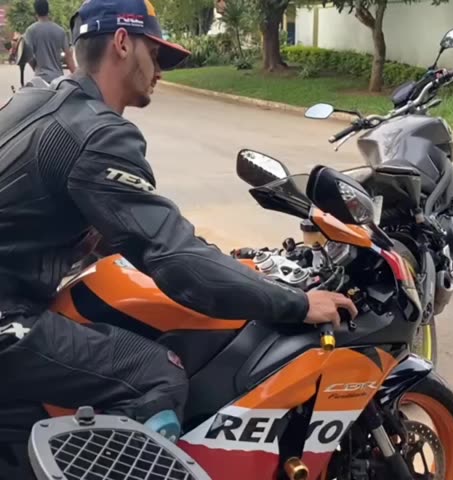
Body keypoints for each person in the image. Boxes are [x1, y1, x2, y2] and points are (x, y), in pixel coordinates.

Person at [0, 0, 357, 444]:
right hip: (8, 317)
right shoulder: (98, 135)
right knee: (156, 375)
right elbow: (172, 257)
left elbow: (114, 223)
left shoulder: (39, 98)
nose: (160, 72)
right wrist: (297, 304)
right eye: (156, 55)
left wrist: (222, 264)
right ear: (122, 43)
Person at [23, 0, 76, 83]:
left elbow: (28, 56)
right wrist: (76, 76)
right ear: (48, 11)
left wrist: (35, 67)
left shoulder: (30, 31)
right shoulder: (60, 30)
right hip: (58, 79)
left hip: (40, 79)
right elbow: (68, 57)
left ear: (35, 11)